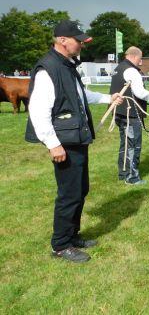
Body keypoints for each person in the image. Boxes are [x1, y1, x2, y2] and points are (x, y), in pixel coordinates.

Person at [25, 20, 124, 263]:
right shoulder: (48, 68)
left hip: (76, 140)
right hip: (64, 143)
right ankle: (60, 245)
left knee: (80, 189)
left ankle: (72, 235)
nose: (81, 44)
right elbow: (38, 111)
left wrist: (106, 97)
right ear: (62, 40)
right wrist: (53, 144)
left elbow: (80, 95)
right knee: (69, 194)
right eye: (78, 40)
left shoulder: (67, 66)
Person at [110, 46, 149, 185]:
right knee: (133, 145)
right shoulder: (131, 70)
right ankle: (132, 177)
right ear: (135, 56)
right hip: (130, 113)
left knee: (125, 144)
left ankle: (123, 173)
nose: (141, 62)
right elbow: (140, 93)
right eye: (140, 58)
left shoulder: (118, 67)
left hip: (119, 112)